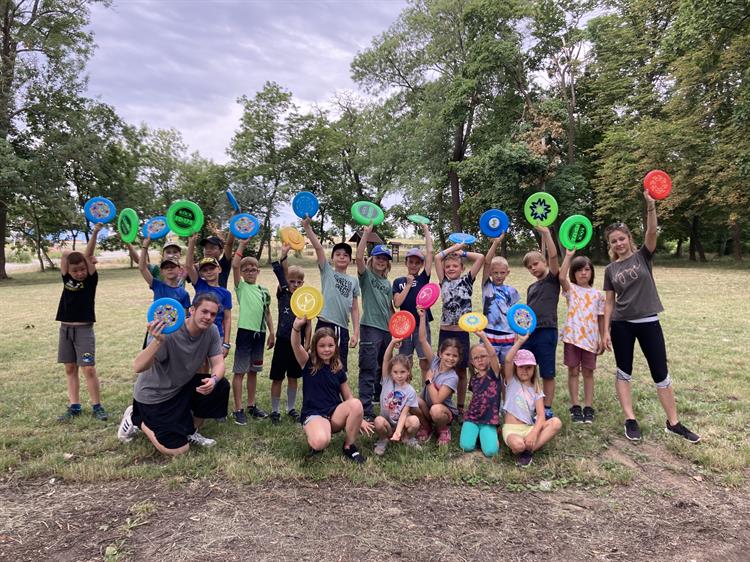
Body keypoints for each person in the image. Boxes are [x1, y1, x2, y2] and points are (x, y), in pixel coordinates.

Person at [603, 191, 700, 443]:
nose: (618, 244)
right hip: (621, 324)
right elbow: (609, 302)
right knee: (624, 371)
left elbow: (652, 233)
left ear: (629, 239)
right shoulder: (610, 269)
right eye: (614, 241)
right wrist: (605, 331)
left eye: (621, 239)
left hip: (649, 322)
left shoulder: (643, 256)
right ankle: (630, 418)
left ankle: (674, 422)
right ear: (610, 245)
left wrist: (651, 206)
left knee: (661, 372)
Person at [117, 293, 230, 455]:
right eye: (204, 312)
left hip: (180, 388)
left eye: (213, 314)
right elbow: (138, 366)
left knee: (220, 384)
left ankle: (190, 430)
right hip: (154, 395)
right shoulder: (168, 331)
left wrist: (213, 380)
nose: (208, 317)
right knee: (178, 450)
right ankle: (137, 417)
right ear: (192, 310)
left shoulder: (211, 331)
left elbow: (218, 363)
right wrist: (157, 341)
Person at [291, 317, 374, 463]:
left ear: (336, 346)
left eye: (330, 345)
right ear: (315, 347)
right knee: (320, 442)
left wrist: (359, 418)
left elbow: (349, 397)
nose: (326, 349)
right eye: (322, 346)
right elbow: (296, 345)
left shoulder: (338, 368)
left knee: (356, 404)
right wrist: (296, 328)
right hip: (315, 414)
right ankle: (317, 432)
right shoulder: (307, 362)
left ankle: (349, 446)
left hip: (334, 415)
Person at [56, 223, 108, 421]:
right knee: (70, 368)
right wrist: (75, 255)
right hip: (65, 329)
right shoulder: (65, 278)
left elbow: (87, 255)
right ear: (68, 270)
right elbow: (64, 254)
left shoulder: (90, 281)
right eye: (75, 270)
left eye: (82, 269)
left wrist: (94, 233)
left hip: (84, 330)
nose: (79, 273)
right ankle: (74, 406)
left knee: (88, 368)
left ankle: (97, 406)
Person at [302, 217, 360, 369]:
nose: (342, 256)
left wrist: (356, 333)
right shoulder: (327, 272)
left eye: (346, 255)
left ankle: (338, 392)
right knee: (319, 363)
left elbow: (354, 308)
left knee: (339, 365)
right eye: (338, 254)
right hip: (324, 322)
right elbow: (319, 248)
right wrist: (307, 228)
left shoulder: (353, 281)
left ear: (350, 259)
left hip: (342, 327)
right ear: (332, 258)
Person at [435, 241, 484, 417]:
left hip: (462, 331)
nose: (450, 268)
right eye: (448, 266)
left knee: (461, 370)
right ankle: (443, 402)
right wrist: (454, 248)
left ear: (462, 268)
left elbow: (481, 258)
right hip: (446, 330)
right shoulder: (443, 281)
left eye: (455, 266)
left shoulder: (467, 280)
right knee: (443, 367)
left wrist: (462, 253)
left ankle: (461, 406)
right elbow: (436, 257)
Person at [229, 238, 274, 424]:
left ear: (258, 271)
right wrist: (242, 245)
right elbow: (234, 266)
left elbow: (267, 312)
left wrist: (272, 332)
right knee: (240, 371)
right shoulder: (241, 287)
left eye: (253, 269)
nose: (249, 272)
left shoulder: (264, 290)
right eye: (245, 269)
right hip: (245, 333)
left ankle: (251, 405)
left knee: (254, 371)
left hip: (260, 334)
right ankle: (238, 409)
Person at [559, 248, 605, 423]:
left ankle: (588, 406)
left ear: (592, 272)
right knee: (572, 371)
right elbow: (561, 277)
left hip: (591, 340)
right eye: (579, 270)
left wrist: (602, 337)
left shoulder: (598, 295)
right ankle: (575, 406)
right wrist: (569, 256)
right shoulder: (571, 289)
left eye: (587, 269)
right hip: (572, 337)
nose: (583, 273)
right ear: (574, 273)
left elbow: (601, 318)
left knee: (588, 372)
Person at [502, 334, 562, 467]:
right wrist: (519, 342)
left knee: (556, 423)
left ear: (534, 368)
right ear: (516, 367)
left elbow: (541, 415)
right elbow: (507, 360)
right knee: (518, 445)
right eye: (521, 367)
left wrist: (534, 433)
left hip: (529, 428)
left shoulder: (536, 388)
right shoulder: (511, 381)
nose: (525, 370)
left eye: (529, 367)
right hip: (512, 429)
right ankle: (523, 449)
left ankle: (527, 451)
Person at [268, 244, 311, 424]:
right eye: (292, 281)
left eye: (298, 282)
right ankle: (275, 410)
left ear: (303, 283)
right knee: (277, 377)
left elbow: (308, 324)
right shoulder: (283, 293)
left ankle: (291, 408)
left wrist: (307, 344)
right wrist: (284, 254)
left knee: (294, 377)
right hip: (282, 342)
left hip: (298, 345)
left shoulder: (305, 300)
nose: (295, 284)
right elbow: (283, 273)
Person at [356, 222, 394, 421]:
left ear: (388, 263)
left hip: (387, 331)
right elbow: (359, 257)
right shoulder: (366, 276)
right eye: (378, 257)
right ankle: (366, 409)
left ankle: (383, 402)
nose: (381, 261)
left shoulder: (387, 284)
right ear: (373, 259)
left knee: (384, 368)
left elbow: (390, 308)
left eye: (385, 259)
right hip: (370, 328)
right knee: (368, 368)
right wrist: (366, 235)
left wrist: (397, 332)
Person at [522, 225, 560, 420]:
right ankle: (531, 401)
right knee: (528, 368)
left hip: (547, 331)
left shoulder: (553, 279)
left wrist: (546, 234)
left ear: (544, 262)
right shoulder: (531, 287)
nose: (533, 268)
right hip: (530, 333)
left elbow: (554, 257)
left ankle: (546, 407)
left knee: (547, 372)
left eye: (536, 264)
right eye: (530, 267)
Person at [392, 223, 434, 375]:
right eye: (411, 262)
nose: (414, 265)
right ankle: (405, 393)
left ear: (422, 264)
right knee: (404, 362)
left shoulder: (424, 278)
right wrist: (408, 285)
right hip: (404, 326)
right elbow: (397, 303)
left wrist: (426, 230)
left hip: (421, 324)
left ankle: (426, 392)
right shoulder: (398, 282)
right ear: (406, 262)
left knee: (425, 361)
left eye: (417, 263)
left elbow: (430, 252)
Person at [414, 308, 460, 445]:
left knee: (436, 410)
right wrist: (422, 317)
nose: (450, 358)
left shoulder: (452, 377)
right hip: (428, 408)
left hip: (442, 412)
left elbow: (437, 400)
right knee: (412, 399)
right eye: (447, 354)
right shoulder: (435, 361)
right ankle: (426, 426)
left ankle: (443, 429)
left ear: (458, 358)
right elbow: (422, 340)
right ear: (440, 353)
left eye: (454, 356)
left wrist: (428, 381)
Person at [137, 236, 191, 348]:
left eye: (172, 267)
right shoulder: (157, 285)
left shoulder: (184, 294)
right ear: (162, 271)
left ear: (180, 270)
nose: (169, 269)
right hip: (156, 331)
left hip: (175, 333)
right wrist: (145, 246)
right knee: (153, 362)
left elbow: (185, 317)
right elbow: (142, 267)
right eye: (166, 268)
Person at [186, 234, 233, 356]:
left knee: (214, 366)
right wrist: (191, 243)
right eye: (205, 270)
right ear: (201, 273)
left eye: (212, 268)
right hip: (195, 331)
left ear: (219, 269)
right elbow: (188, 266)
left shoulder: (226, 294)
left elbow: (227, 319)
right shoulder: (199, 284)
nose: (209, 272)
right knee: (197, 366)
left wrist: (226, 343)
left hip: (216, 334)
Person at [373, 338, 421, 455]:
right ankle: (383, 439)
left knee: (414, 421)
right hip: (387, 424)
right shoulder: (387, 381)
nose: (399, 376)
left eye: (402, 372)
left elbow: (404, 414)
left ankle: (407, 438)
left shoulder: (410, 391)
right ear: (390, 372)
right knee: (378, 421)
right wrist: (392, 342)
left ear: (408, 371)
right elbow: (386, 359)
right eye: (395, 372)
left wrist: (398, 432)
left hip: (402, 424)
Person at [459, 331, 503, 457]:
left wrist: (483, 337)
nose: (480, 360)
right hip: (472, 417)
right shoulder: (474, 377)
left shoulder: (494, 374)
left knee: (490, 452)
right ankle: (477, 434)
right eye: (476, 358)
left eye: (483, 356)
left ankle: (488, 434)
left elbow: (494, 355)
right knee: (466, 446)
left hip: (488, 419)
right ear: (472, 362)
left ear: (488, 357)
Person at [481, 234, 520, 364]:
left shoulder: (512, 292)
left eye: (502, 272)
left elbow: (515, 315)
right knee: (489, 370)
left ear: (507, 273)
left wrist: (516, 335)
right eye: (495, 272)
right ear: (490, 273)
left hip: (508, 337)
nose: (498, 275)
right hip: (488, 336)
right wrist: (496, 243)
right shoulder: (487, 286)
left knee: (506, 369)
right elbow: (487, 262)